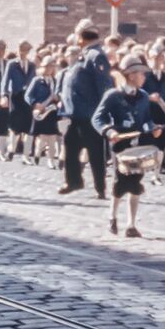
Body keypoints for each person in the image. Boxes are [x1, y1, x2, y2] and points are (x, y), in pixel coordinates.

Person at [93, 55, 162, 237]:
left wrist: (153, 128)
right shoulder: (113, 95)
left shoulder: (143, 96)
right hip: (120, 145)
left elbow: (146, 119)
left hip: (138, 145)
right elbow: (97, 118)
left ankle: (131, 224)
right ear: (131, 75)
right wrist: (109, 131)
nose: (144, 77)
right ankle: (112, 216)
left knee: (136, 183)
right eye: (141, 74)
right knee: (120, 182)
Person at [60, 22, 112, 198]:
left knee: (95, 152)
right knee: (70, 144)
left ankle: (100, 187)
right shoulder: (86, 54)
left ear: (82, 36)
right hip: (78, 114)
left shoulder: (96, 55)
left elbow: (104, 85)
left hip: (90, 115)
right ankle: (74, 181)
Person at [1, 40, 36, 164]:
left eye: (26, 49)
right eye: (21, 49)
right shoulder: (12, 64)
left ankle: (26, 155)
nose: (23, 52)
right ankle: (11, 149)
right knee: (14, 125)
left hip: (28, 98)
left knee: (28, 126)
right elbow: (5, 80)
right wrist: (4, 95)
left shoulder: (32, 65)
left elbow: (34, 81)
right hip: (16, 96)